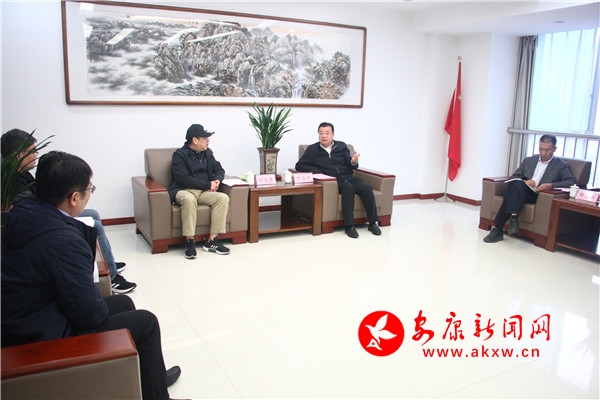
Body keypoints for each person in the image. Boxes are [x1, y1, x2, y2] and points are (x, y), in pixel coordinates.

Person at [1, 151, 182, 400]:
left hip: (29, 317)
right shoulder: (62, 240)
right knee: (146, 322)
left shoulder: (25, 211)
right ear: (74, 198)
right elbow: (90, 315)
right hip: (42, 335)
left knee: (124, 302)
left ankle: (151, 378)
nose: (90, 193)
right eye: (90, 189)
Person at [0, 129, 136, 293]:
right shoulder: (11, 181)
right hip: (47, 216)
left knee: (93, 214)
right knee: (95, 225)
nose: (35, 155)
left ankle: (108, 262)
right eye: (32, 151)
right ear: (18, 155)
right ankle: (112, 277)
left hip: (47, 210)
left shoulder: (21, 174)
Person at [483, 134, 577, 243]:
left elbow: (571, 181)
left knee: (510, 193)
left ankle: (498, 229)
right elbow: (514, 177)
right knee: (517, 186)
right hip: (522, 191)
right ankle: (512, 220)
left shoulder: (560, 165)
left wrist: (550, 185)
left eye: (547, 150)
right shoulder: (529, 161)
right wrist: (525, 182)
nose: (543, 153)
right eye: (541, 149)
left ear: (554, 149)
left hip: (538, 195)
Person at [295, 122, 381, 238]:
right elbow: (299, 165)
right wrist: (318, 171)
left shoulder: (341, 146)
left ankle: (373, 223)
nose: (324, 136)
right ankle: (349, 226)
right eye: (321, 133)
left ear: (333, 135)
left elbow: (351, 165)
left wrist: (353, 162)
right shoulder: (312, 149)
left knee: (366, 188)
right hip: (333, 180)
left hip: (349, 176)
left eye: (327, 133)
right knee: (348, 188)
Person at [168, 124, 231, 259]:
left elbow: (219, 169)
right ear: (195, 140)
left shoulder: (207, 153)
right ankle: (190, 241)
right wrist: (207, 184)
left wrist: (216, 181)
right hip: (184, 190)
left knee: (222, 198)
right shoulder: (179, 155)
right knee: (189, 199)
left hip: (203, 192)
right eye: (205, 138)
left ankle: (212, 241)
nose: (208, 140)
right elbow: (183, 179)